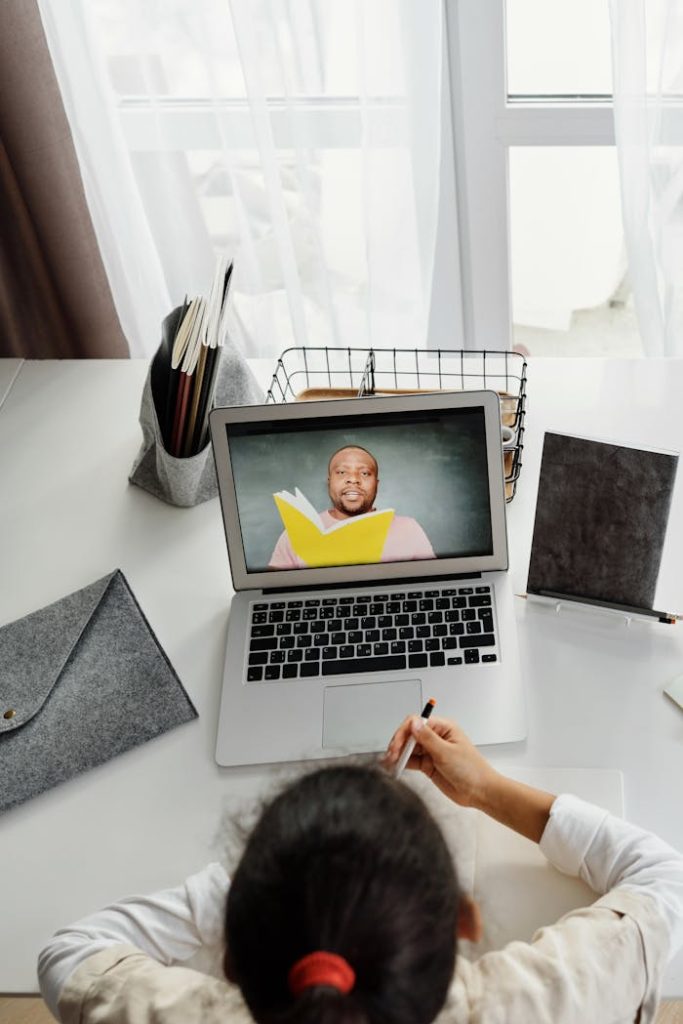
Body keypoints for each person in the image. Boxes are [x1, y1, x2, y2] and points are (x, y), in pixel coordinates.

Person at [38, 714, 683, 1024]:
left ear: (232, 960)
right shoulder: (540, 1004)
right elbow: (663, 877)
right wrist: (486, 789)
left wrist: (260, 888)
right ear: (464, 922)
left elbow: (69, 954)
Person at [268, 444, 435, 568]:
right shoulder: (296, 531)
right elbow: (273, 588)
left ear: (376, 484)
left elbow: (432, 582)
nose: (353, 479)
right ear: (329, 482)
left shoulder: (409, 529)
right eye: (342, 472)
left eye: (365, 473)